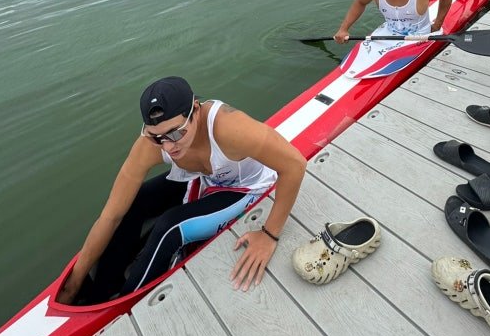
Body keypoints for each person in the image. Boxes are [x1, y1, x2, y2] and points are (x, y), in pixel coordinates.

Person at [57, 76, 306, 304]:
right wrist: (74, 282)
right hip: (204, 178)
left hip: (246, 187)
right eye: (157, 137)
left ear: (195, 110)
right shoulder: (152, 144)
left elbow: (295, 165)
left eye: (176, 133)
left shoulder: (230, 128)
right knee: (136, 199)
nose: (167, 146)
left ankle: (123, 303)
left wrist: (269, 234)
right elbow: (111, 215)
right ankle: (103, 287)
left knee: (170, 226)